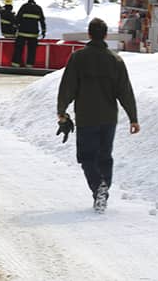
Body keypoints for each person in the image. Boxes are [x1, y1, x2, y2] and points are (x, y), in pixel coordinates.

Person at [56, 17, 140, 213]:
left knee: (87, 157)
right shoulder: (115, 60)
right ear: (105, 35)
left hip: (86, 117)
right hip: (108, 118)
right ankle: (103, 190)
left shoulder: (78, 58)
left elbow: (67, 86)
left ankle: (98, 188)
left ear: (89, 34)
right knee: (105, 157)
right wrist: (133, 118)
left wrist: (62, 110)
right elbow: (125, 91)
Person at [11, 0, 46, 67]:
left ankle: (15, 64)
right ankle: (29, 65)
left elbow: (18, 18)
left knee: (18, 49)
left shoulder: (24, 7)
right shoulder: (38, 8)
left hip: (22, 33)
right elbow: (42, 21)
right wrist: (43, 31)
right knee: (32, 50)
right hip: (33, 34)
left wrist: (15, 28)